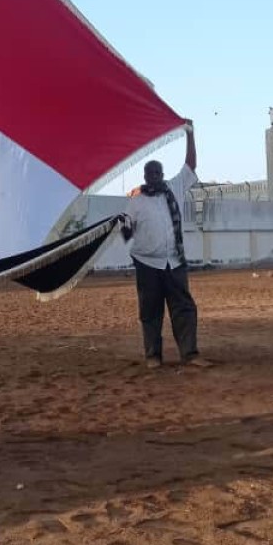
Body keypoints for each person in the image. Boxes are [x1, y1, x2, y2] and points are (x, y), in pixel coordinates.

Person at [120, 121, 209, 369]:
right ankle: (153, 356)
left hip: (175, 261)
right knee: (150, 312)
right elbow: (126, 232)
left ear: (162, 174)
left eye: (159, 173)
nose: (156, 177)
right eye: (151, 174)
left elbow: (190, 164)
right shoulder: (136, 202)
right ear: (146, 177)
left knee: (184, 308)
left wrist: (190, 134)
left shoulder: (175, 188)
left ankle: (190, 354)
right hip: (147, 264)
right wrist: (122, 227)